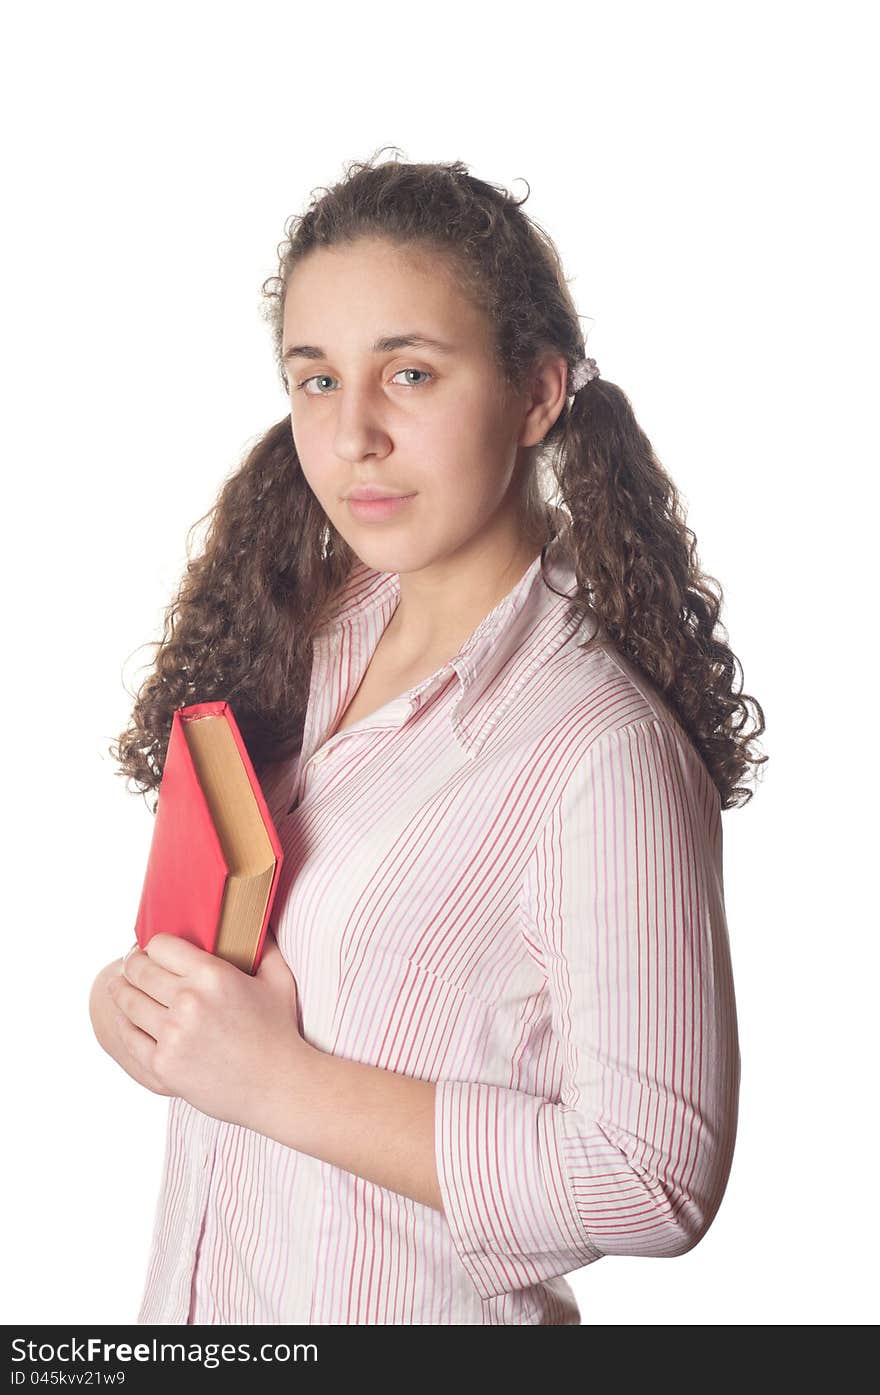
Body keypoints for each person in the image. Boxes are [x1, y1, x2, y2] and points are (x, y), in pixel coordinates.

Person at [90, 151, 764, 1326]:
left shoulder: (597, 750)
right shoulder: (308, 640)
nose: (351, 434)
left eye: (409, 373)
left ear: (537, 395)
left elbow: (653, 1177)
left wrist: (275, 1083)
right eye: (313, 379)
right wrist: (146, 1015)